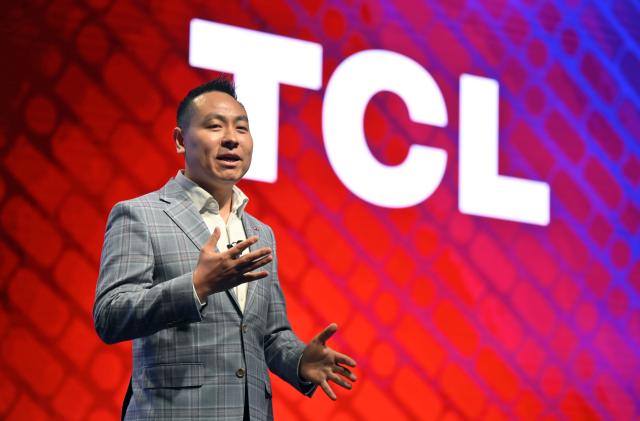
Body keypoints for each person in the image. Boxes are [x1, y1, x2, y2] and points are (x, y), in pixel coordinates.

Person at [93, 77, 357, 421]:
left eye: (242, 128)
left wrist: (298, 360)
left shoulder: (261, 233)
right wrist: (196, 286)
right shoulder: (141, 215)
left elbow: (269, 333)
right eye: (215, 126)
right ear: (179, 139)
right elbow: (110, 315)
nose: (231, 138)